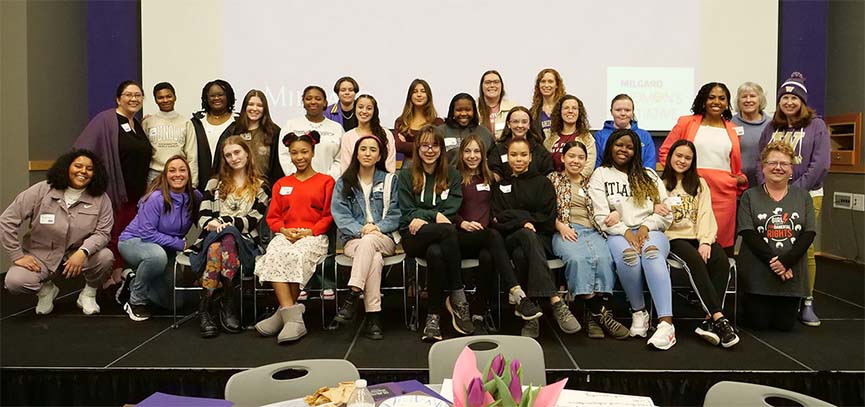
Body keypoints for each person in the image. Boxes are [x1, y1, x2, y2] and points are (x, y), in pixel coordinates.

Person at [589, 129, 676, 350]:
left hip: (651, 230)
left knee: (651, 253)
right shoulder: (601, 174)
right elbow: (600, 216)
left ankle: (666, 324)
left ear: (636, 151)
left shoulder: (649, 175)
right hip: (619, 233)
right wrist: (626, 231)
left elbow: (667, 213)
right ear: (610, 146)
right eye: (619, 145)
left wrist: (647, 226)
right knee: (629, 256)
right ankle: (639, 311)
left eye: (629, 147)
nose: (624, 150)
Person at [756, 72, 830, 327]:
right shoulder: (771, 128)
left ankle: (806, 301)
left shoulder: (816, 126)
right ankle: (776, 296)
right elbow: (760, 160)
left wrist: (794, 192)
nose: (789, 102)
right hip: (771, 195)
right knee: (774, 246)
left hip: (807, 195)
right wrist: (766, 187)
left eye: (794, 98)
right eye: (784, 97)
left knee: (804, 248)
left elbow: (819, 164)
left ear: (802, 101)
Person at [1, 150, 114, 315]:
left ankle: (88, 294)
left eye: (89, 169)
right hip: (41, 255)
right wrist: (17, 255)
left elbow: (103, 233)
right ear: (67, 167)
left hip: (77, 253)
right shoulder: (41, 190)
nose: (83, 171)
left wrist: (83, 252)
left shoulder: (101, 198)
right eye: (78, 166)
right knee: (15, 282)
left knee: (105, 257)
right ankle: (46, 291)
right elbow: (7, 220)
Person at [491, 138, 581, 338]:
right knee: (524, 234)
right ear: (507, 158)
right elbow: (498, 219)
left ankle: (531, 318)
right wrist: (523, 221)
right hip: (510, 237)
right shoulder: (501, 185)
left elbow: (547, 218)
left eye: (523, 154)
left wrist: (519, 218)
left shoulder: (543, 183)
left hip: (541, 239)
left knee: (522, 254)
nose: (519, 159)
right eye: (514, 155)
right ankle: (554, 300)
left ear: (531, 157)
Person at [454, 135, 542, 334]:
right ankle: (517, 293)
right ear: (461, 154)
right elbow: (448, 209)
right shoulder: (455, 177)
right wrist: (463, 223)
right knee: (493, 237)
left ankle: (478, 313)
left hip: (486, 238)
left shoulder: (491, 178)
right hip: (461, 236)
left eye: (476, 151)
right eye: (467, 151)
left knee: (488, 255)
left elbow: (497, 208)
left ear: (483, 155)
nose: (472, 156)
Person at [254, 131, 334, 343]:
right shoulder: (281, 184)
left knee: (297, 256)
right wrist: (283, 230)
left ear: (313, 152)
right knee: (275, 253)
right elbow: (273, 217)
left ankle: (283, 313)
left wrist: (311, 231)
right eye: (294, 153)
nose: (299, 157)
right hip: (287, 233)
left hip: (313, 236)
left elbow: (328, 215)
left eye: (304, 152)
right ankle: (291, 315)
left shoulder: (326, 182)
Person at [397, 126, 474, 342]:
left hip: (437, 236)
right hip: (413, 237)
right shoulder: (405, 175)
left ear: (441, 149)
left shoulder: (453, 175)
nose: (429, 150)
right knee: (448, 230)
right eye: (424, 145)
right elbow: (406, 211)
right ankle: (458, 295)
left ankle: (433, 319)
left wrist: (424, 216)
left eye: (435, 145)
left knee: (436, 253)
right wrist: (432, 215)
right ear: (418, 148)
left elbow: (452, 208)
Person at [660, 139, 739, 348]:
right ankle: (719, 318)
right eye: (679, 156)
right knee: (694, 260)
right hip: (673, 238)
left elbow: (706, 214)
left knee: (720, 260)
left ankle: (708, 322)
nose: (682, 161)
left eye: (688, 158)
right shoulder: (659, 183)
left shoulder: (699, 183)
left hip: (698, 236)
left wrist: (705, 241)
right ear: (670, 157)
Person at [548, 141, 629, 340]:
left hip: (593, 230)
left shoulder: (591, 182)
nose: (576, 161)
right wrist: (560, 226)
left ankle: (593, 317)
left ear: (586, 160)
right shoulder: (552, 179)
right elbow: (543, 210)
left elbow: (612, 204)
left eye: (580, 157)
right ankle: (599, 313)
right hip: (565, 229)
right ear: (563, 158)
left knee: (604, 259)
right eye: (572, 156)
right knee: (578, 260)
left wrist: (617, 214)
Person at [189, 137, 269, 338]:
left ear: (247, 153)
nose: (234, 158)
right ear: (224, 159)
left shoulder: (261, 186)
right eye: (228, 155)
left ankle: (206, 309)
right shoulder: (214, 184)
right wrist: (214, 223)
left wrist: (224, 222)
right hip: (212, 238)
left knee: (228, 238)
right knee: (223, 240)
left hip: (246, 242)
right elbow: (203, 217)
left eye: (237, 153)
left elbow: (252, 221)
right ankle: (228, 302)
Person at [74, 80, 153, 278]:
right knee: (111, 235)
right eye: (128, 94)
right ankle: (109, 278)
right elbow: (83, 151)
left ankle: (120, 275)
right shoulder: (106, 120)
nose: (133, 98)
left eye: (138, 95)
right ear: (118, 99)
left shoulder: (137, 124)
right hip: (114, 191)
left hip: (136, 194)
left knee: (125, 236)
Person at [659, 82, 748, 250]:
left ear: (727, 102)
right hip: (691, 190)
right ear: (703, 100)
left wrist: (737, 179)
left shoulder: (734, 129)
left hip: (723, 195)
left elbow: (732, 162)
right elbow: (665, 152)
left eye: (722, 98)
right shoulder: (686, 122)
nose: (717, 102)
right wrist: (680, 176)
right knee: (692, 242)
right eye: (711, 97)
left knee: (719, 248)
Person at [738, 141, 815, 331]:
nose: (778, 168)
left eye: (784, 164)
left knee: (784, 327)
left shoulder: (803, 196)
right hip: (758, 275)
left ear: (791, 170)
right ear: (763, 167)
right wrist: (776, 262)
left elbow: (809, 233)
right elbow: (747, 232)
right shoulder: (750, 196)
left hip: (790, 275)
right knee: (758, 324)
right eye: (772, 163)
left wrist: (786, 262)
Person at [331, 134, 401, 340]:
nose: (367, 153)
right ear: (356, 153)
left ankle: (353, 294)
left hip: (384, 237)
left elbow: (396, 214)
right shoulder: (344, 182)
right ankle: (374, 317)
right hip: (353, 239)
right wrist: (362, 230)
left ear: (380, 156)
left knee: (370, 242)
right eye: (363, 149)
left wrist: (376, 228)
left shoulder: (390, 180)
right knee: (374, 258)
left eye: (373, 150)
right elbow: (341, 215)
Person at [117, 156, 202, 321]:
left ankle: (133, 280)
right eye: (172, 170)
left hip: (165, 248)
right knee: (157, 257)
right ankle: (136, 301)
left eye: (182, 170)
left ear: (189, 174)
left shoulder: (195, 197)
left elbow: (204, 219)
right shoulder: (156, 198)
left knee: (173, 303)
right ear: (166, 175)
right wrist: (180, 244)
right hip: (135, 241)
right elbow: (147, 233)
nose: (177, 174)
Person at [214, 89, 284, 185]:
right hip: (235, 187)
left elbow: (278, 167)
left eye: (259, 105)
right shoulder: (232, 131)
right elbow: (220, 163)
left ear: (265, 109)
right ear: (245, 107)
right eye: (251, 104)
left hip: (264, 188)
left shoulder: (274, 132)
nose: (254, 109)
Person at [278, 85, 343, 179]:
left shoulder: (336, 128)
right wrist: (298, 177)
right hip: (298, 182)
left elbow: (340, 159)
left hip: (328, 184)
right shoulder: (291, 125)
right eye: (308, 98)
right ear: (303, 102)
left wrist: (328, 179)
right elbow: (284, 155)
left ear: (325, 103)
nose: (313, 102)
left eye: (318, 99)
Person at [142, 82, 199, 185]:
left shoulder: (186, 123)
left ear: (175, 97)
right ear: (155, 100)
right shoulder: (147, 122)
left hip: (178, 176)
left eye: (169, 96)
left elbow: (192, 156)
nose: (165, 100)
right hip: (154, 176)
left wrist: (193, 183)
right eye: (160, 97)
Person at [190, 79, 238, 191]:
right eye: (212, 95)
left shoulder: (239, 122)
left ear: (229, 97)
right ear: (206, 98)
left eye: (220, 95)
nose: (216, 98)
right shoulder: (195, 122)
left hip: (230, 185)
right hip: (199, 185)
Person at [487, 106, 554, 181]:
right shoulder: (498, 150)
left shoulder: (540, 151)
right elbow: (494, 176)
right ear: (508, 124)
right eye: (515, 122)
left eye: (524, 122)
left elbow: (548, 177)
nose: (520, 125)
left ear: (529, 125)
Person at [593, 94, 657, 170]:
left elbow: (649, 165)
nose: (623, 114)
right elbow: (597, 165)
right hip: (608, 180)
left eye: (627, 110)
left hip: (638, 180)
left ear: (632, 112)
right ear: (611, 112)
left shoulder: (644, 136)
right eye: (618, 110)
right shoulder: (600, 136)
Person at [339, 94, 397, 173]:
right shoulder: (348, 136)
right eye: (360, 107)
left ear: (374, 111)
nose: (364, 111)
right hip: (354, 182)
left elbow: (390, 164)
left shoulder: (386, 134)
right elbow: (346, 167)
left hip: (382, 182)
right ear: (354, 109)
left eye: (369, 108)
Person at [435, 93, 495, 166]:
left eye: (468, 109)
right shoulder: (440, 132)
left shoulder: (485, 133)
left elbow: (493, 161)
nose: (463, 113)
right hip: (448, 176)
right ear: (452, 111)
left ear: (474, 111)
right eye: (459, 110)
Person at [543, 95, 595, 176]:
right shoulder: (550, 138)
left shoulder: (586, 138)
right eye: (566, 108)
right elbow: (545, 164)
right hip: (552, 184)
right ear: (560, 112)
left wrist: (572, 181)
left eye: (574, 108)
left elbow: (588, 167)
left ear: (579, 112)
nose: (570, 111)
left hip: (578, 184)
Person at [731, 82, 770, 188]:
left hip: (764, 183)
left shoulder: (771, 125)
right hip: (737, 184)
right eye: (744, 97)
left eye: (752, 96)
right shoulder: (730, 123)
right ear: (738, 101)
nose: (748, 100)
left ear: (760, 100)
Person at [394, 79, 445, 159]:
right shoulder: (401, 121)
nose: (419, 95)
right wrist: (425, 145)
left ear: (428, 95)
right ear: (410, 96)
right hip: (406, 165)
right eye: (415, 92)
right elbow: (398, 146)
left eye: (423, 91)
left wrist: (406, 144)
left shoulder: (437, 122)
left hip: (430, 164)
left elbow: (439, 147)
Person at [477, 70, 516, 139]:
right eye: (488, 82)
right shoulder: (473, 108)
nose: (492, 85)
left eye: (496, 82)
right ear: (481, 86)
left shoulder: (513, 108)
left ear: (501, 86)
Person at [529, 68, 566, 139]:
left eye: (550, 81)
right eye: (543, 81)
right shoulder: (533, 112)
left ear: (557, 85)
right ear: (538, 85)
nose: (546, 85)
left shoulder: (564, 108)